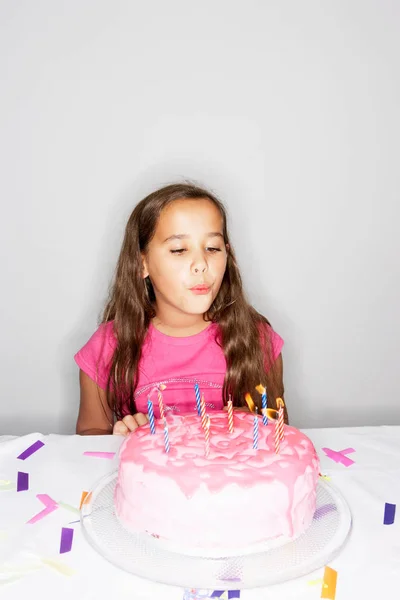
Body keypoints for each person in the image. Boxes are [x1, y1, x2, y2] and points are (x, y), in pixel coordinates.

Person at [75, 182, 286, 436]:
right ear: (141, 264)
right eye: (179, 250)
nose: (200, 264)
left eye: (212, 248)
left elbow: (280, 433)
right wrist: (122, 437)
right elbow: (89, 434)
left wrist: (255, 423)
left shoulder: (256, 339)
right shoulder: (107, 347)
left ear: (227, 257)